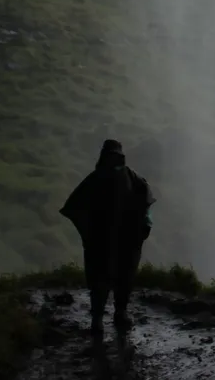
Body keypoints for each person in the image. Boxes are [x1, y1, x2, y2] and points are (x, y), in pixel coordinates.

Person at [60, 139, 156, 335]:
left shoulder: (132, 178)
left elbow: (146, 201)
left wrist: (146, 223)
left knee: (125, 278)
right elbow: (75, 207)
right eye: (110, 156)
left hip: (126, 240)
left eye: (116, 156)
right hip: (101, 241)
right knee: (98, 281)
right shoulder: (94, 180)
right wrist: (87, 232)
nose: (113, 160)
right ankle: (97, 319)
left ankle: (120, 314)